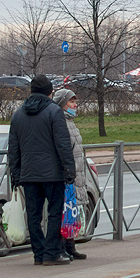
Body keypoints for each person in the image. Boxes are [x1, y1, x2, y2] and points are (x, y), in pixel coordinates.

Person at [8, 75, 75, 266]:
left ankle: (38, 253)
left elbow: (13, 148)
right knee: (54, 213)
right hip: (52, 173)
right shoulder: (54, 112)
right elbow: (63, 144)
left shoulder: (18, 114)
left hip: (28, 173)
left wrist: (16, 173)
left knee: (33, 214)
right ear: (50, 91)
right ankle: (51, 252)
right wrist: (69, 169)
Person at [52, 88, 88, 261]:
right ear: (62, 104)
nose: (75, 105)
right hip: (68, 173)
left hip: (76, 171)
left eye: (75, 101)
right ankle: (65, 246)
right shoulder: (60, 122)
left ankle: (71, 245)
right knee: (65, 210)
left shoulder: (70, 122)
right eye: (71, 102)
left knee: (72, 211)